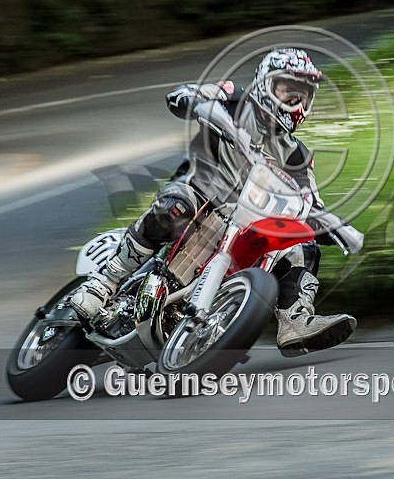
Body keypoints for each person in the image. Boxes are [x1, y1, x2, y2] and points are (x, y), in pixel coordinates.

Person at [70, 48, 357, 356]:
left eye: (302, 94)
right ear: (266, 83)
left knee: (301, 246)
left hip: (246, 219)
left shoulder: (298, 155)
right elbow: (185, 94)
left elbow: (310, 201)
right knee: (176, 207)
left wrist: (332, 226)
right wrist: (194, 101)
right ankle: (104, 283)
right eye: (288, 89)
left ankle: (295, 320)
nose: (295, 101)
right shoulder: (233, 96)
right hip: (197, 191)